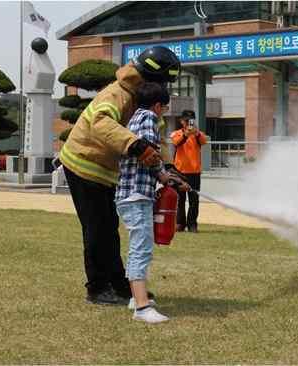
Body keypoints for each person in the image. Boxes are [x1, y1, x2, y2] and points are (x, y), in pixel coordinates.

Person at [59, 46, 181, 306]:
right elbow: (101, 123)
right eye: (163, 82)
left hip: (106, 172)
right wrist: (136, 146)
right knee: (97, 229)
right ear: (149, 76)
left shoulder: (143, 99)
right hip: (82, 165)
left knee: (109, 229)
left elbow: (157, 138)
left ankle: (120, 285)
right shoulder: (117, 93)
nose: (164, 89)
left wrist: (168, 168)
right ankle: (97, 288)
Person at [116, 82, 189, 323]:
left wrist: (164, 177)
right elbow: (146, 152)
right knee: (141, 249)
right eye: (164, 108)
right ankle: (142, 308)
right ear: (157, 105)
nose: (163, 113)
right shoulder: (148, 117)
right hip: (136, 195)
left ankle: (135, 298)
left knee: (137, 247)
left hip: (130, 194)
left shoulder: (134, 118)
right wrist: (163, 174)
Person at [170, 110, 207, 233]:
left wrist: (196, 134)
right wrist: (186, 134)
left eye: (191, 120)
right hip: (179, 172)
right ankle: (180, 223)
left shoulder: (198, 134)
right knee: (179, 200)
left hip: (194, 172)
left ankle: (192, 224)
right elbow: (176, 142)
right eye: (186, 121)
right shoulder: (176, 133)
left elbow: (204, 141)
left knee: (194, 201)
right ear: (181, 121)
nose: (188, 123)